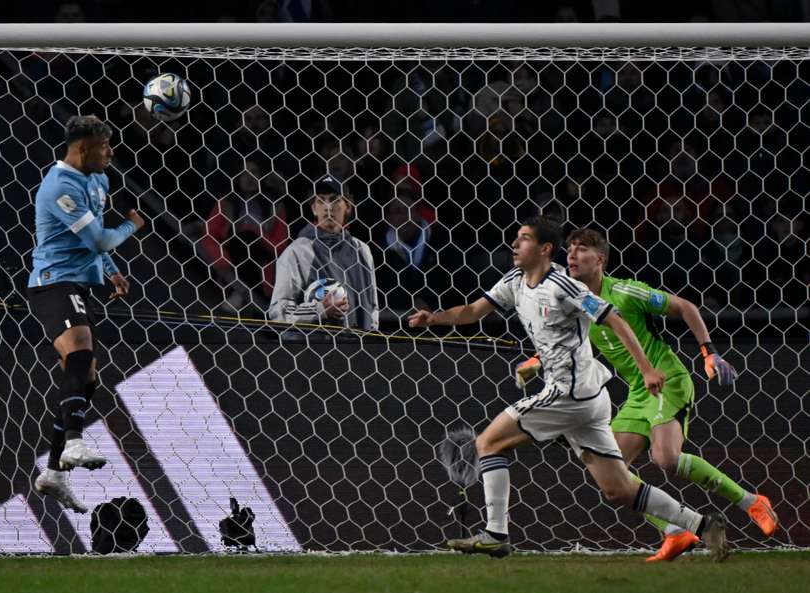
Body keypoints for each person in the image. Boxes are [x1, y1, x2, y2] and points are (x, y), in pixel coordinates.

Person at [408, 217, 728, 561]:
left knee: (487, 443)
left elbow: (614, 319)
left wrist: (647, 368)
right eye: (516, 238)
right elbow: (472, 310)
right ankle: (701, 524)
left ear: (545, 249)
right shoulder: (514, 280)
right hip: (589, 400)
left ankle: (495, 534)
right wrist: (435, 319)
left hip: (568, 395)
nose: (515, 245)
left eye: (525, 239)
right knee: (618, 488)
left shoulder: (565, 286)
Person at [549, 227, 777, 561]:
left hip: (666, 378)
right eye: (569, 249)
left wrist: (709, 352)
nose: (571, 255)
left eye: (581, 249)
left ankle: (752, 502)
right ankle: (674, 530)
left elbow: (685, 307)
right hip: (639, 392)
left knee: (665, 458)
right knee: (611, 472)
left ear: (600, 259)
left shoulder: (626, 292)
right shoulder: (575, 306)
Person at [27, 115, 145, 513]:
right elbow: (99, 237)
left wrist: (112, 272)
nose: (111, 152)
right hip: (52, 282)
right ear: (82, 148)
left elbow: (95, 247)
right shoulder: (59, 186)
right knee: (79, 356)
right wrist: (131, 226)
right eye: (104, 146)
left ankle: (54, 474)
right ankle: (74, 443)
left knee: (87, 375)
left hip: (79, 284)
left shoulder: (99, 179)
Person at [268, 175, 378, 330]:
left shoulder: (362, 250)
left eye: (334, 199)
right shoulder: (297, 252)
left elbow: (372, 308)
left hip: (358, 349)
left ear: (348, 206)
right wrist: (319, 310)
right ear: (313, 208)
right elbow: (278, 312)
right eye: (321, 200)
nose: (328, 206)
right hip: (313, 350)